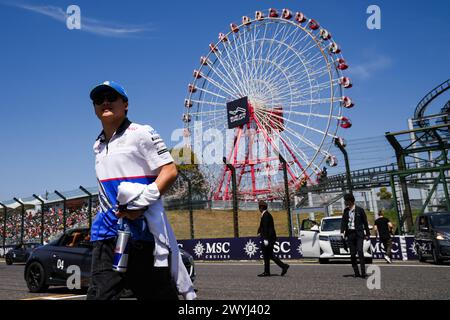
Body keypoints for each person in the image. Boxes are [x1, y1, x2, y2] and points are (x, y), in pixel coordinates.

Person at [86, 80, 196, 300]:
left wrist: (141, 203)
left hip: (143, 237)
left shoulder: (141, 132)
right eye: (99, 99)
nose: (105, 102)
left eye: (111, 97)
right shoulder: (97, 145)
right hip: (106, 235)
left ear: (125, 104)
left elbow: (169, 171)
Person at [340, 193, 370, 278]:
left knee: (360, 251)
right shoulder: (346, 211)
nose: (345, 202)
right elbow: (343, 222)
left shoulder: (360, 210)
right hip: (350, 234)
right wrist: (342, 232)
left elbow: (365, 222)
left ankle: (363, 273)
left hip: (359, 234)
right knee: (352, 254)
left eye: (346, 200)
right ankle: (356, 272)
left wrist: (367, 233)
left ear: (350, 201)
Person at [257, 200, 289, 277]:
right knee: (270, 255)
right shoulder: (266, 215)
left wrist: (265, 239)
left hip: (268, 239)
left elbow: (266, 228)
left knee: (266, 255)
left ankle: (268, 271)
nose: (259, 209)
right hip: (269, 238)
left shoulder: (266, 215)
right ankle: (283, 266)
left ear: (261, 207)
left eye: (259, 207)